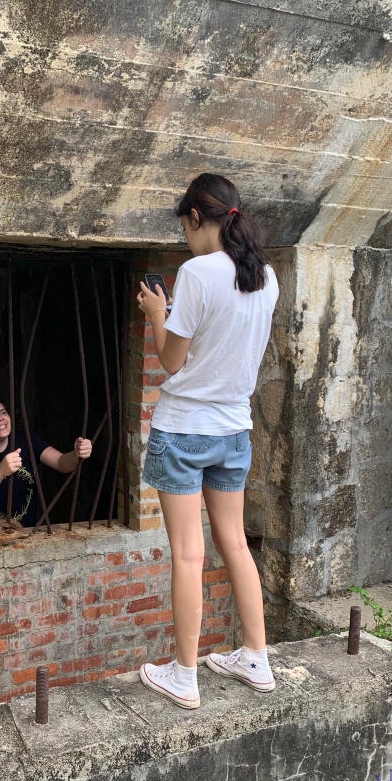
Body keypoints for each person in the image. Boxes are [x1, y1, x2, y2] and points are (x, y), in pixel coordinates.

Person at [135, 173, 279, 709]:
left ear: (196, 217)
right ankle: (257, 659)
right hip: (234, 431)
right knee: (235, 543)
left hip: (184, 429)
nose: (185, 240)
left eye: (185, 228)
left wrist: (156, 314)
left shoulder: (196, 273)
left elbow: (173, 362)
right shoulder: (267, 276)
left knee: (188, 555)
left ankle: (185, 674)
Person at [0, 395, 93, 529]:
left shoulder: (26, 440)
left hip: (28, 533)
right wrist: (0, 472)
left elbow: (61, 462)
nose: (0, 418)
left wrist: (76, 454)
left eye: (3, 412)